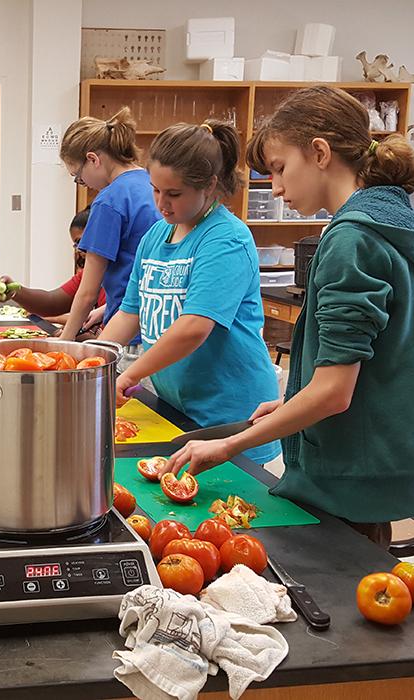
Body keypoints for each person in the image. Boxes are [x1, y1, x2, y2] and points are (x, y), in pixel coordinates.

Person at [162, 86, 414, 548]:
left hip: (350, 472)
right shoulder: (392, 224)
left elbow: (335, 393)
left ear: (319, 152)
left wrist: (228, 446)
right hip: (378, 461)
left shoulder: (351, 239)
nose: (275, 187)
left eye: (280, 168)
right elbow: (367, 366)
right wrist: (293, 397)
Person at [99, 121, 281, 465]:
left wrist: (129, 374)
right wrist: (92, 362)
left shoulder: (226, 239)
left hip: (231, 418)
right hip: (181, 411)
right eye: (155, 190)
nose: (161, 204)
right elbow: (129, 312)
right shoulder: (155, 236)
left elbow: (194, 327)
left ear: (210, 185)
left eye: (174, 194)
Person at [56, 107, 159, 341]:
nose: (84, 184)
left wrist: (65, 343)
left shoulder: (110, 200)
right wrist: (103, 310)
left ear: (93, 159)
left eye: (79, 178)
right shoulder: (152, 184)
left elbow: (87, 292)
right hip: (158, 326)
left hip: (128, 335)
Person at [0, 207, 105, 328]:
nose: (79, 249)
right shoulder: (86, 275)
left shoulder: (121, 278)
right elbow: (52, 302)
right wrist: (15, 290)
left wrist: (69, 335)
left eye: (81, 242)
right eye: (76, 244)